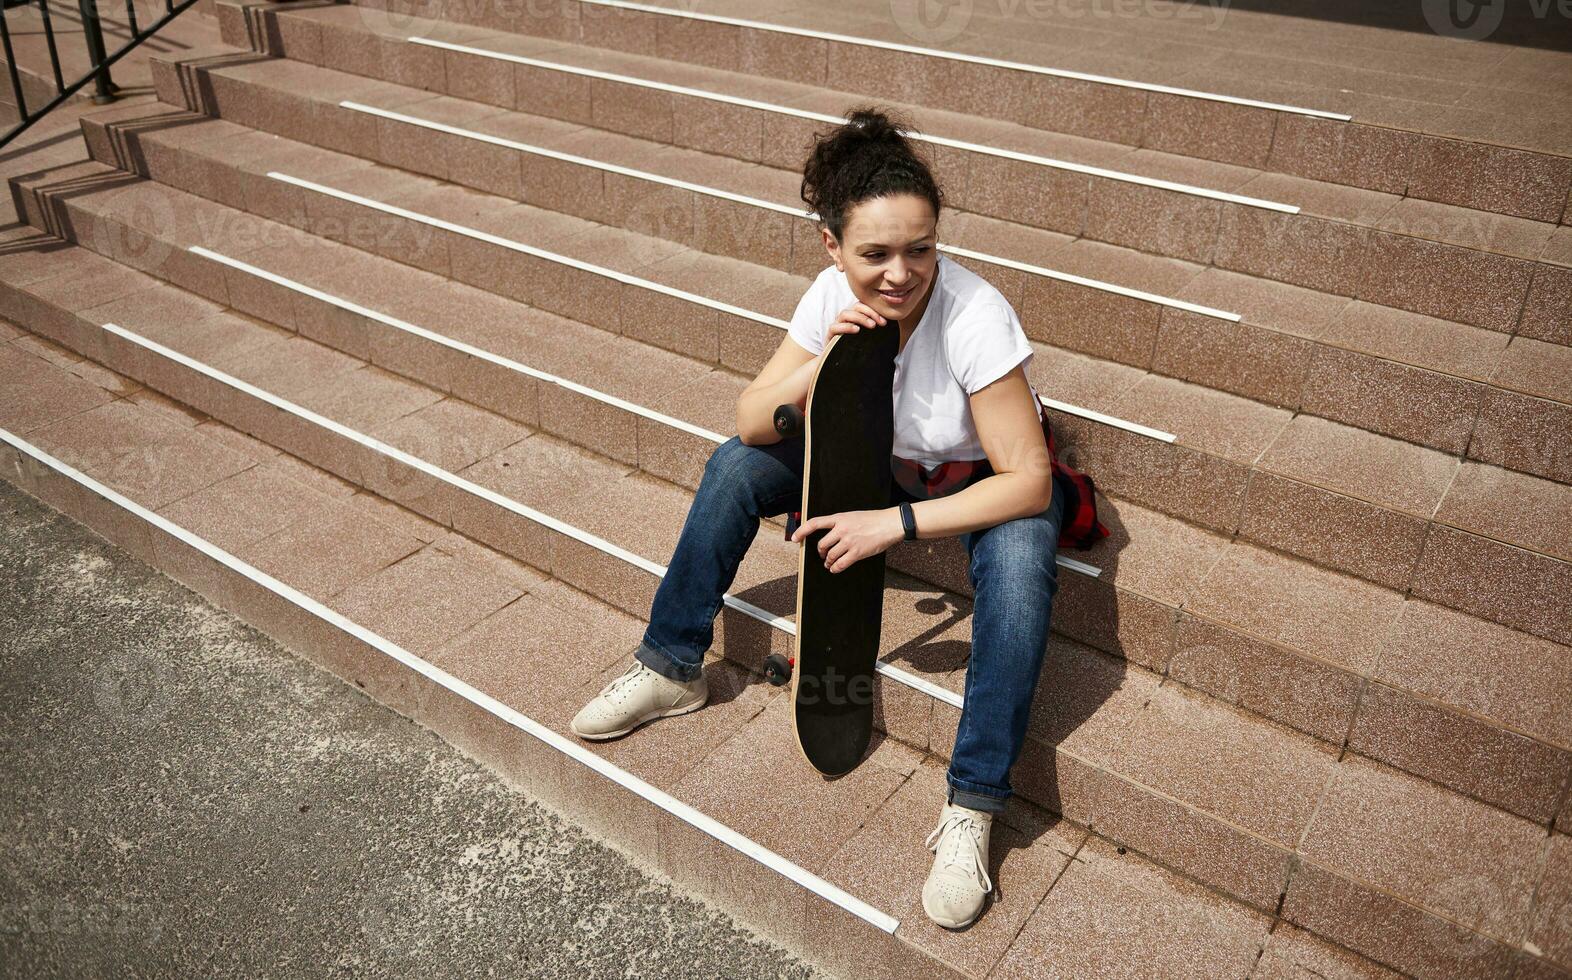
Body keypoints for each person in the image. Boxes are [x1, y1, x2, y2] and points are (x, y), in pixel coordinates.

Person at [570, 107, 1070, 931]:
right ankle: (672, 666)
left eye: (921, 248)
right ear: (833, 249)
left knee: (1019, 570)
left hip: (971, 480)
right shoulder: (832, 295)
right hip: (867, 454)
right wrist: (814, 371)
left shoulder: (976, 317)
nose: (902, 273)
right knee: (735, 470)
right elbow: (751, 422)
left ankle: (974, 803)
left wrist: (895, 526)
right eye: (875, 254)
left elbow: (1029, 482)